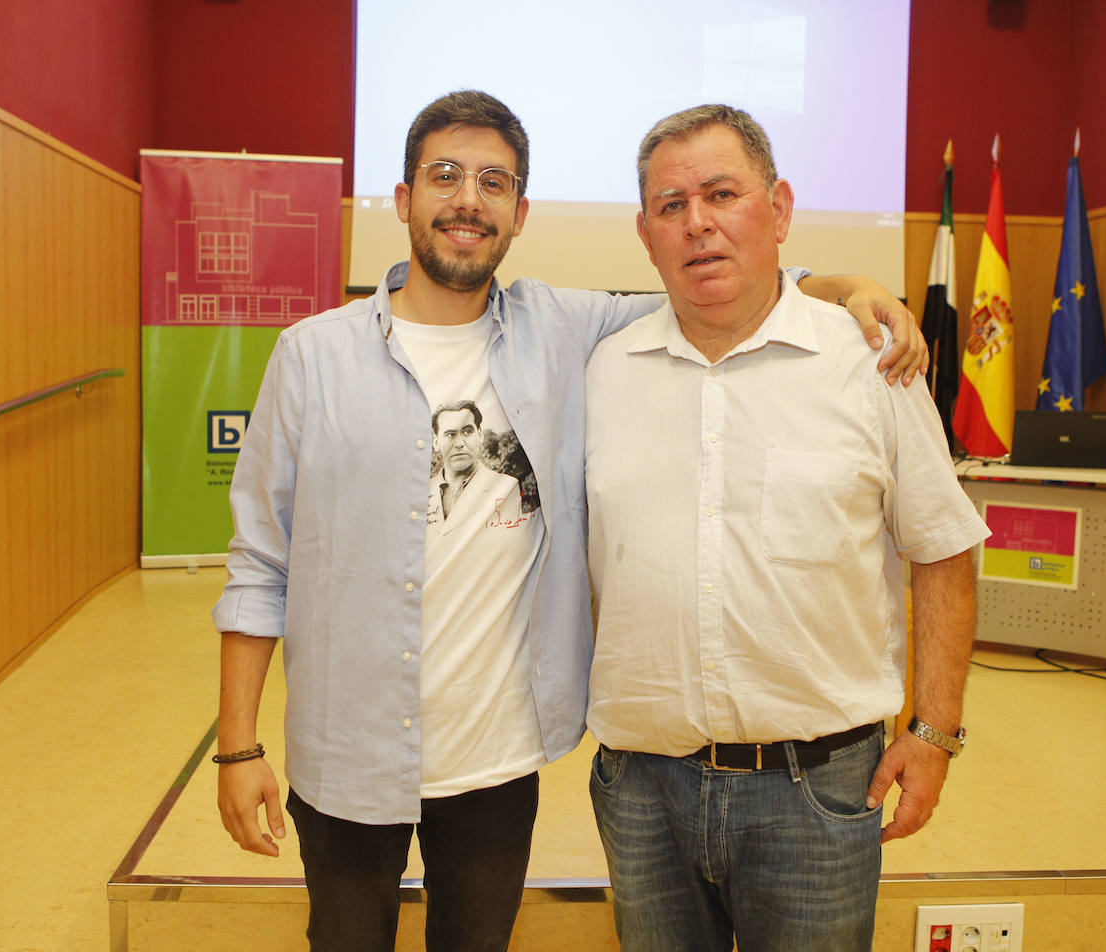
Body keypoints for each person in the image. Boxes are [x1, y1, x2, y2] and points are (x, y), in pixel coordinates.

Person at [212, 90, 926, 952]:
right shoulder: (311, 356)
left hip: (498, 759)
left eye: (493, 182)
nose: (467, 199)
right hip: (347, 749)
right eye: (444, 176)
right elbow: (260, 564)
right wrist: (237, 747)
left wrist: (848, 286)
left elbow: (722, 284)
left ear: (518, 214)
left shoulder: (566, 328)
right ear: (404, 202)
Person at [584, 104, 992, 952]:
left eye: (723, 193)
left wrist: (934, 731)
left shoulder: (873, 363)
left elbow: (944, 547)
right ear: (645, 233)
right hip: (642, 791)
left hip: (817, 793)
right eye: (670, 205)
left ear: (779, 211)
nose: (697, 222)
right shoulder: (602, 370)